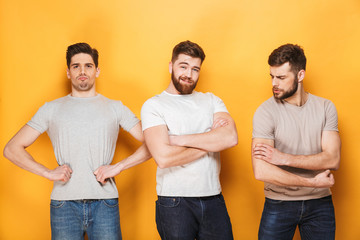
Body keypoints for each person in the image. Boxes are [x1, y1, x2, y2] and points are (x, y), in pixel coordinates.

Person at [3, 42, 151, 240]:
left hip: (105, 203)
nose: (82, 71)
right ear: (68, 72)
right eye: (76, 66)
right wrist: (47, 172)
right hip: (64, 205)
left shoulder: (115, 108)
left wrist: (119, 167)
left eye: (88, 66)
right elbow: (11, 149)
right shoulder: (51, 109)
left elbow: (154, 143)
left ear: (97, 71)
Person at [141, 40, 238, 240]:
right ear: (171, 66)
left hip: (213, 198)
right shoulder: (154, 105)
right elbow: (164, 158)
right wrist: (210, 142)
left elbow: (230, 137)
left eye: (195, 69)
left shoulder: (211, 100)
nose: (189, 74)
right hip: (175, 201)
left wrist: (177, 140)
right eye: (183, 66)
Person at [252, 43, 341, 240]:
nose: (274, 83)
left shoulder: (326, 107)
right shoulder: (265, 112)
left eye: (281, 77)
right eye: (272, 77)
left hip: (320, 205)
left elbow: (332, 159)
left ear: (300, 75)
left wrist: (282, 158)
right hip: (279, 203)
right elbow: (262, 170)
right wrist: (312, 182)